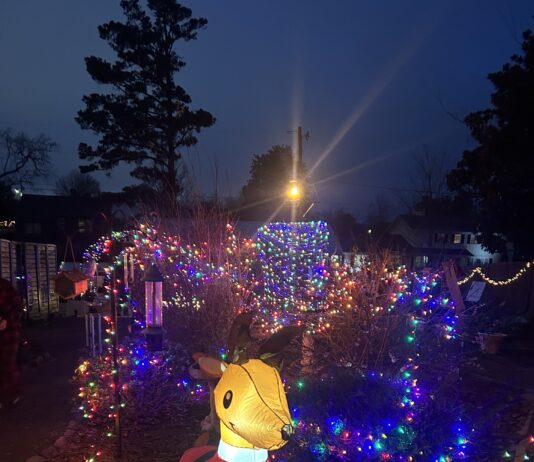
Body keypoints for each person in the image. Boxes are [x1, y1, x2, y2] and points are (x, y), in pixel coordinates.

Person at [0, 278, 23, 409]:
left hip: (9, 332)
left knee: (7, 363)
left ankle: (11, 394)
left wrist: (7, 320)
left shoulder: (5, 286)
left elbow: (17, 307)